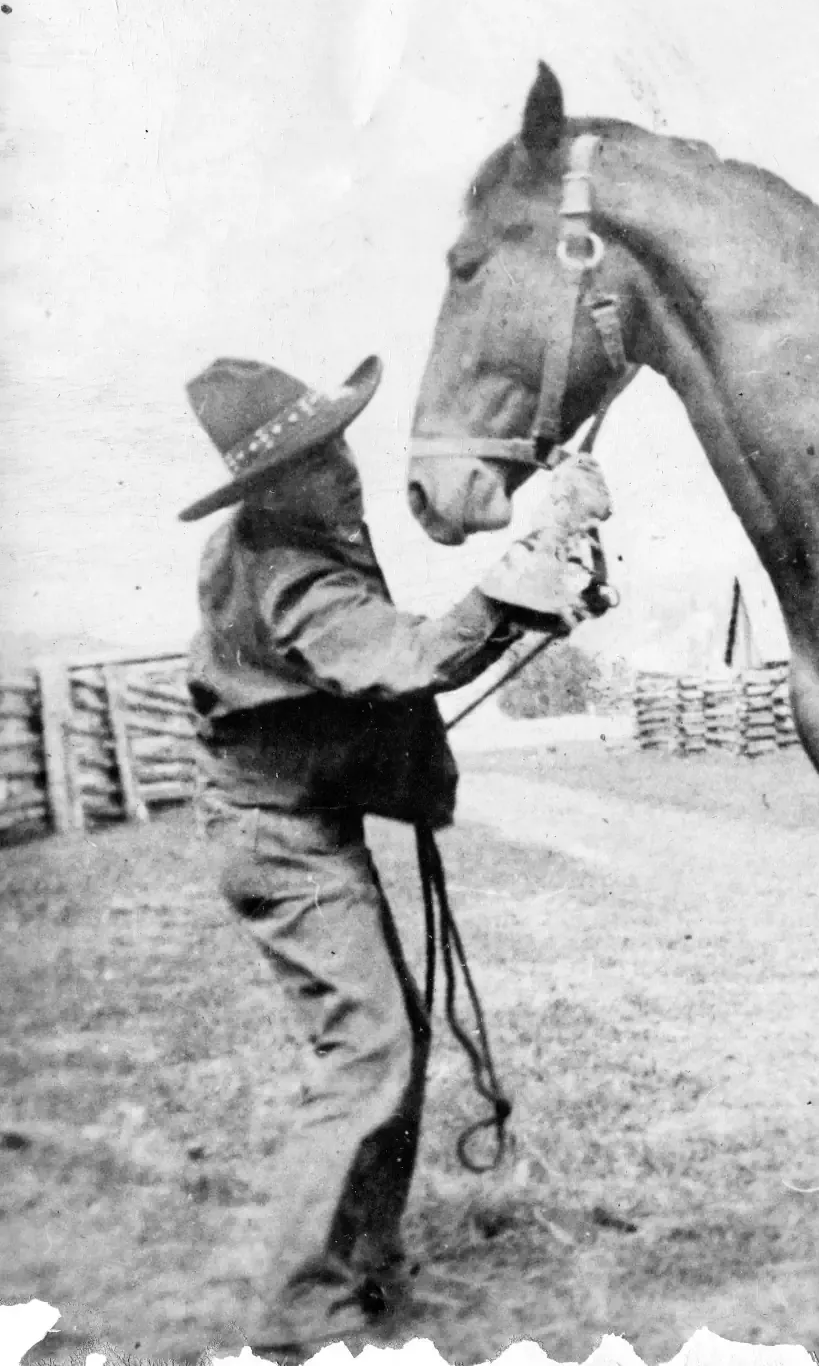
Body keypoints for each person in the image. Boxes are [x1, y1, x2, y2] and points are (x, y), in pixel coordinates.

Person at [178, 354, 610, 1359]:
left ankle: (361, 1267)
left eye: (334, 446)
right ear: (266, 489)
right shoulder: (284, 572)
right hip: (279, 837)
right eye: (307, 462)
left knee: (388, 1043)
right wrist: (541, 545)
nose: (340, 471)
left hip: (301, 823)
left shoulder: (293, 533)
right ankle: (302, 1313)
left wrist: (548, 584)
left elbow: (417, 654)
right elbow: (411, 657)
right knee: (367, 1053)